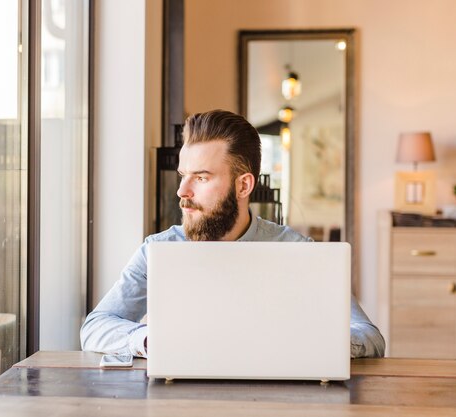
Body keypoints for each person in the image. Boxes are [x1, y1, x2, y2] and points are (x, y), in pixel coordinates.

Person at [81, 109, 385, 359]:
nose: (182, 191)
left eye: (201, 177)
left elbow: (370, 337)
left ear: (243, 186)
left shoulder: (296, 249)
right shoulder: (158, 250)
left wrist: (312, 343)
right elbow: (95, 328)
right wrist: (150, 340)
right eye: (183, 176)